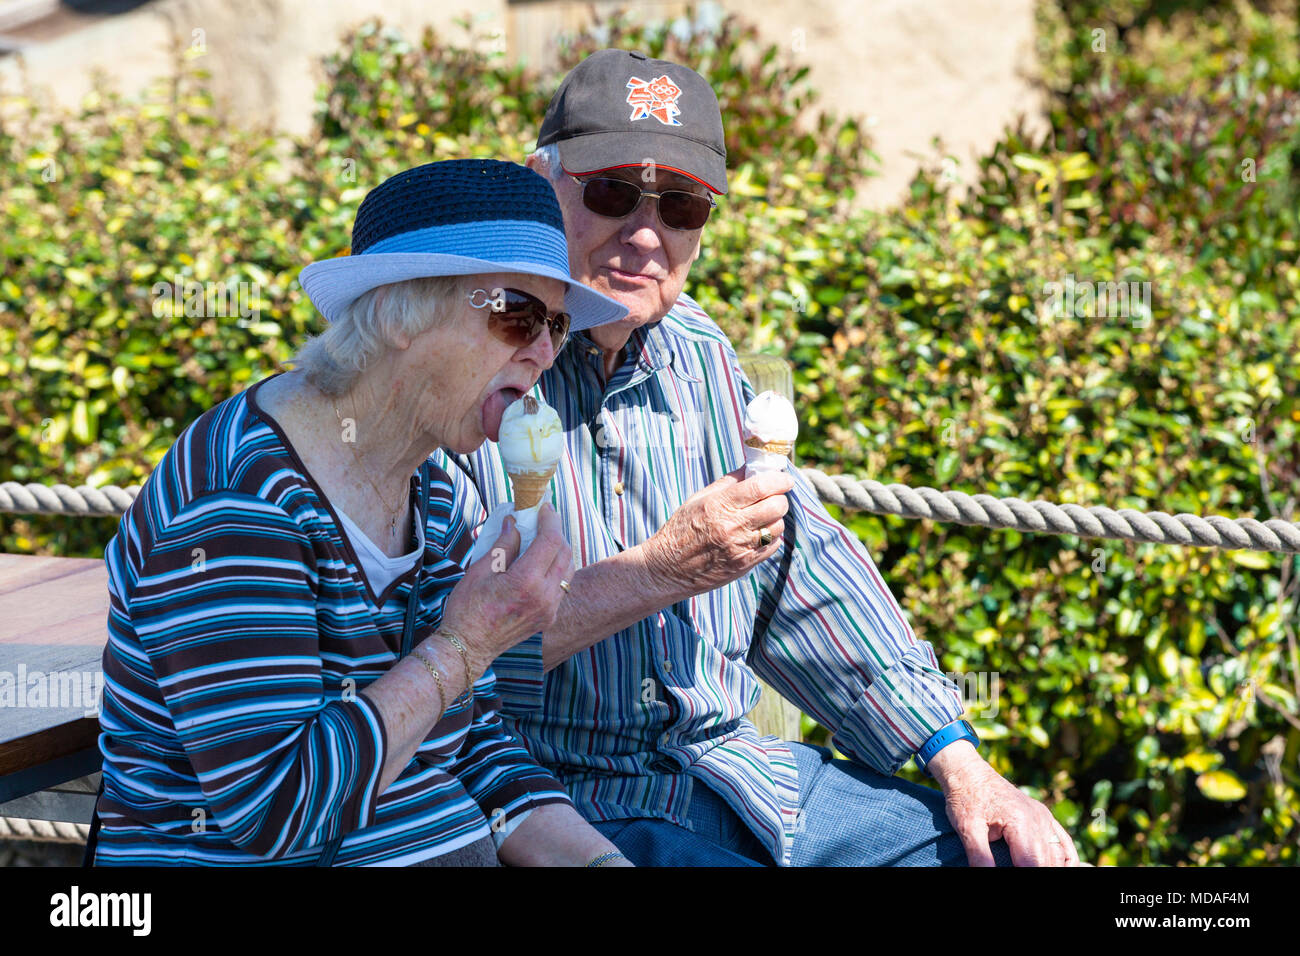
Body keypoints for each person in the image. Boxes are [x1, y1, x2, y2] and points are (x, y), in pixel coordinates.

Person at [437, 51, 1081, 866]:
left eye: (682, 205)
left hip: (740, 776)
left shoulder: (702, 354)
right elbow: (441, 657)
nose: (645, 232)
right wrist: (658, 571)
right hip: (564, 796)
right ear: (540, 181)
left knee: (1000, 855)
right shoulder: (472, 369)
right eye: (612, 193)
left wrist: (961, 762)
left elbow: (806, 578)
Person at [92, 159, 634, 866]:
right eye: (516, 314)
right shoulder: (240, 501)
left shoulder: (440, 495)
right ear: (402, 310)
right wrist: (466, 645)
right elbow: (275, 811)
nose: (541, 353)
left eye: (557, 326)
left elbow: (481, 750)